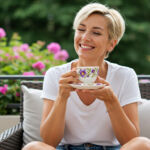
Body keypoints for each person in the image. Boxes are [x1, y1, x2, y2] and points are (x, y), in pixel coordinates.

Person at [22, 2, 142, 150]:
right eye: (81, 30)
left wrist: (111, 101)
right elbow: (49, 142)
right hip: (67, 148)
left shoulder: (125, 75)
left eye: (96, 33)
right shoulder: (56, 75)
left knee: (143, 144)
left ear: (111, 44)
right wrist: (62, 97)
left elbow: (131, 141)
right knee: (33, 147)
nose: (85, 37)